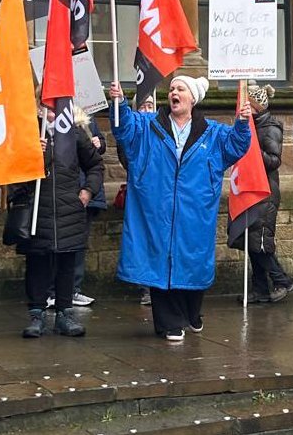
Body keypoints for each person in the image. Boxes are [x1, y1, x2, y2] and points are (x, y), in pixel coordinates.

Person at [108, 75, 251, 342]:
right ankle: (170, 322)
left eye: (180, 88)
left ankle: (190, 312)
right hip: (156, 210)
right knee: (159, 262)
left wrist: (243, 124)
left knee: (193, 263)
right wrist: (119, 104)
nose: (174, 92)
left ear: (192, 99)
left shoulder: (213, 132)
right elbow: (123, 128)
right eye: (171, 88)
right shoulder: (147, 126)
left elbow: (236, 146)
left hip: (195, 212)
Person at [12, 102, 104, 338]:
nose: (51, 110)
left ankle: (65, 313)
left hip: (68, 210)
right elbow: (14, 175)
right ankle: (36, 314)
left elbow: (95, 165)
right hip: (38, 210)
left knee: (66, 262)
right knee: (38, 263)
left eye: (55, 104)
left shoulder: (73, 133)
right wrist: (34, 155)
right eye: (46, 104)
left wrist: (87, 192)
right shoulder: (28, 132)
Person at [228, 83, 293, 304]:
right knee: (250, 240)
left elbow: (274, 160)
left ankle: (281, 279)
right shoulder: (249, 126)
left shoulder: (270, 127)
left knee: (260, 241)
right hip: (250, 188)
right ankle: (260, 289)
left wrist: (253, 151)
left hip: (264, 191)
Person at [115, 94, 156, 307]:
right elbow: (127, 159)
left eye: (151, 105)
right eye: (143, 106)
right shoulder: (132, 132)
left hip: (161, 196)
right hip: (140, 195)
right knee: (142, 241)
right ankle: (146, 288)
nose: (148, 110)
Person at [71, 108, 107, 307]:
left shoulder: (87, 119)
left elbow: (99, 150)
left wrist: (98, 143)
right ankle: (50, 291)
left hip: (85, 192)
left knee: (79, 243)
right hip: (62, 193)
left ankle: (74, 289)